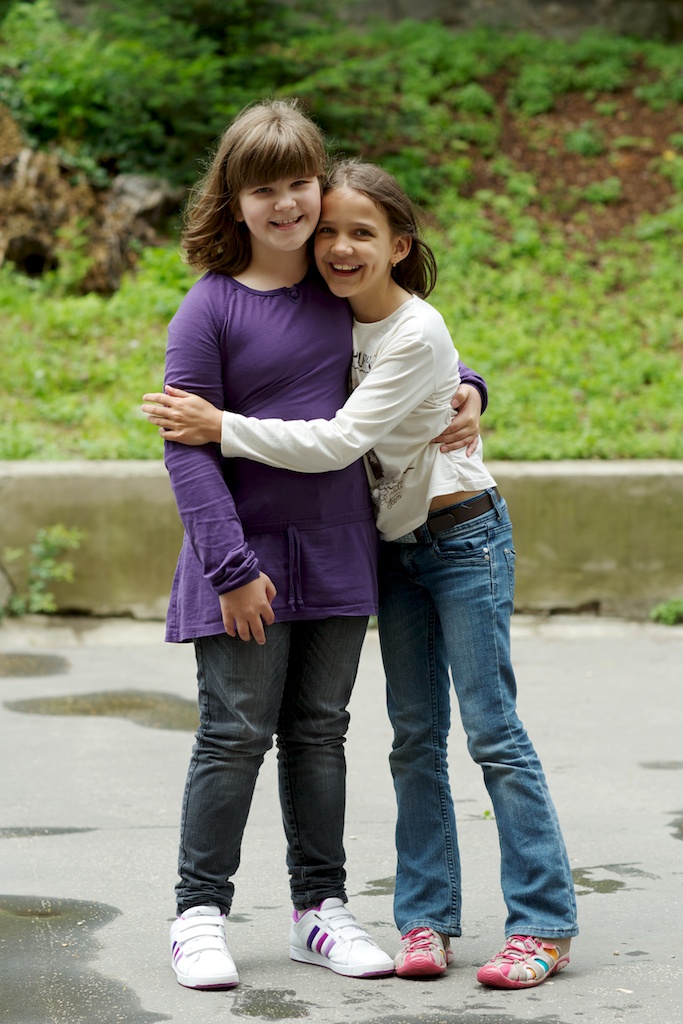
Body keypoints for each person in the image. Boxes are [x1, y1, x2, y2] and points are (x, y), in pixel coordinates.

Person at [143, 157, 579, 989]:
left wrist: (220, 424)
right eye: (330, 229)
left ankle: (538, 922)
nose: (337, 243)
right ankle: (416, 919)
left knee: (476, 733)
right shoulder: (273, 301)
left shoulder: (369, 306)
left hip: (441, 538)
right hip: (383, 544)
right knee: (390, 738)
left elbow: (377, 395)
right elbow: (400, 362)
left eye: (359, 231)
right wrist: (467, 384)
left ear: (397, 243)